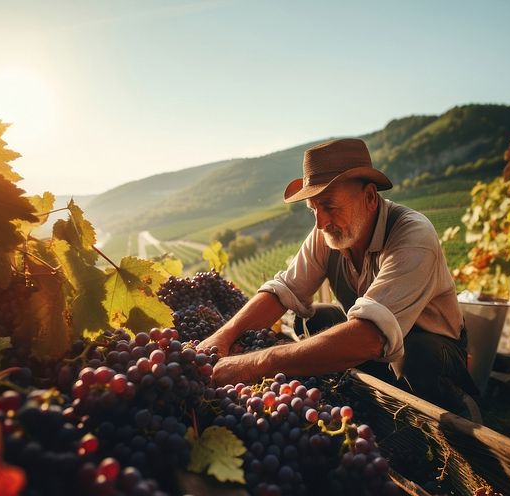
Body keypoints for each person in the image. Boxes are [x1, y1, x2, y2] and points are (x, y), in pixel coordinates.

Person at [199, 138, 479, 417]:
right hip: (380, 350)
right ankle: (371, 398)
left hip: (433, 351)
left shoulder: (413, 234)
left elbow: (370, 336)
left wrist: (257, 363)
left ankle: (457, 409)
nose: (320, 223)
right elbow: (283, 290)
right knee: (314, 318)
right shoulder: (329, 233)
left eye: (330, 206)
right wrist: (224, 336)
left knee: (417, 355)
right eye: (313, 210)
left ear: (370, 197)